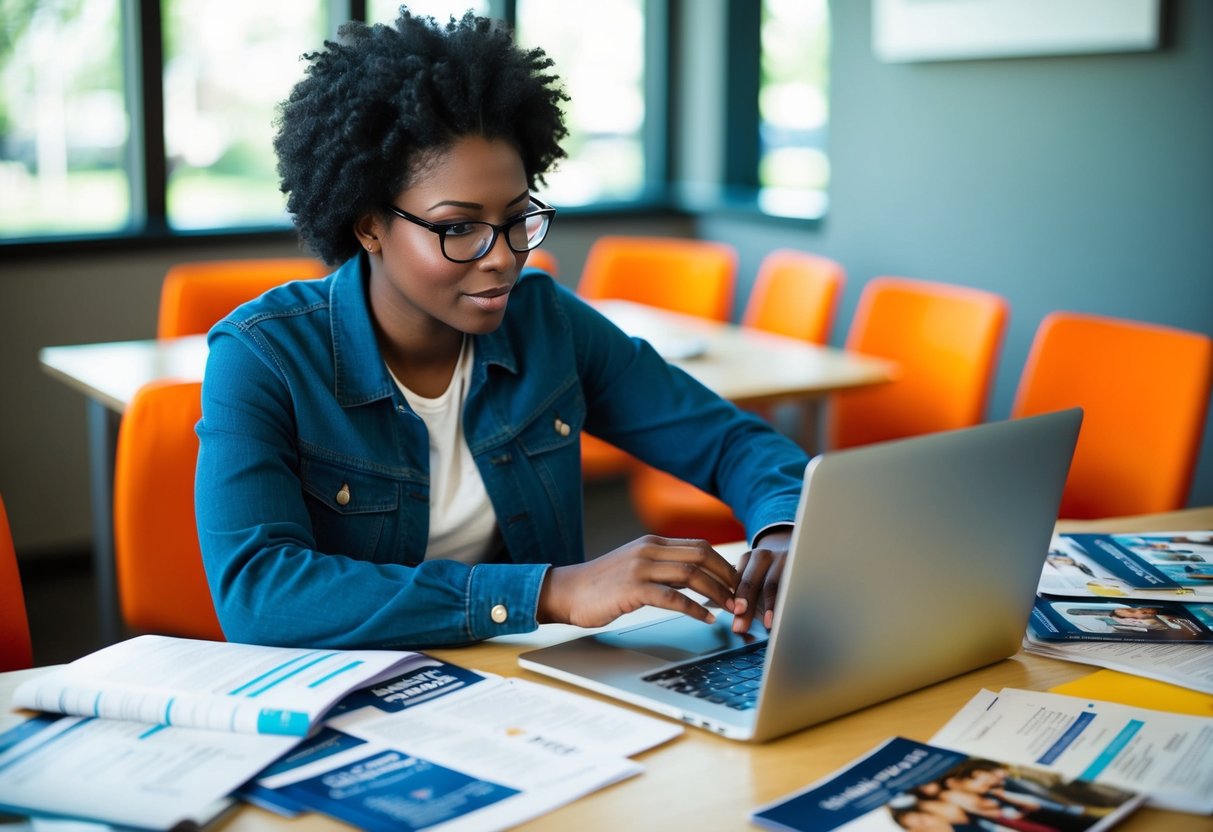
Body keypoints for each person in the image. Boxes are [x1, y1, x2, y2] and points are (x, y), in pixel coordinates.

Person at [194, 9, 809, 650]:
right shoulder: (262, 357)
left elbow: (730, 443)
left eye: (518, 218)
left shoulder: (544, 320)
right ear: (368, 224)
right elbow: (258, 595)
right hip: (353, 697)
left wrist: (782, 529)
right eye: (458, 226)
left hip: (522, 683)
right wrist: (551, 592)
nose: (503, 256)